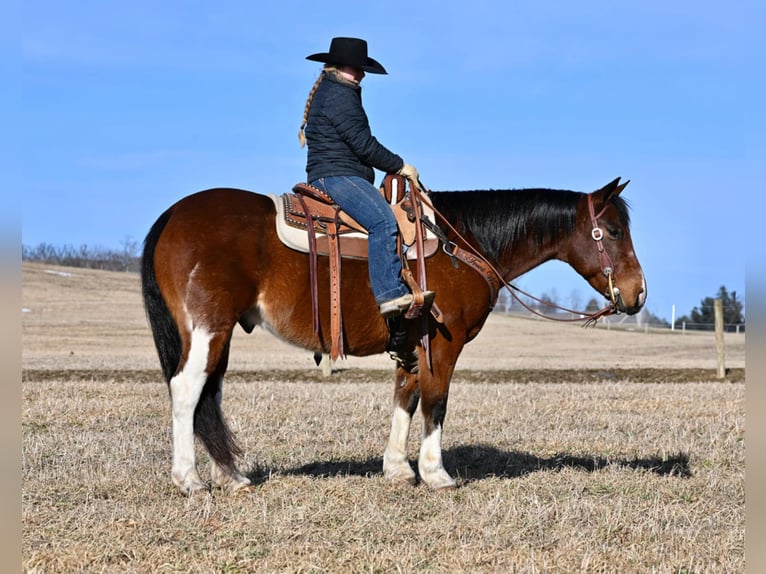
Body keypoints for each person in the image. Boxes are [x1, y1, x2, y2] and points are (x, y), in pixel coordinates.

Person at [299, 36, 434, 320]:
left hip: (336, 172)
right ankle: (391, 294)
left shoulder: (334, 89)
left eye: (362, 69)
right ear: (338, 66)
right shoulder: (339, 95)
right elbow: (363, 144)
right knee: (383, 221)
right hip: (337, 175)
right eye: (356, 68)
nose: (361, 74)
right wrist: (400, 166)